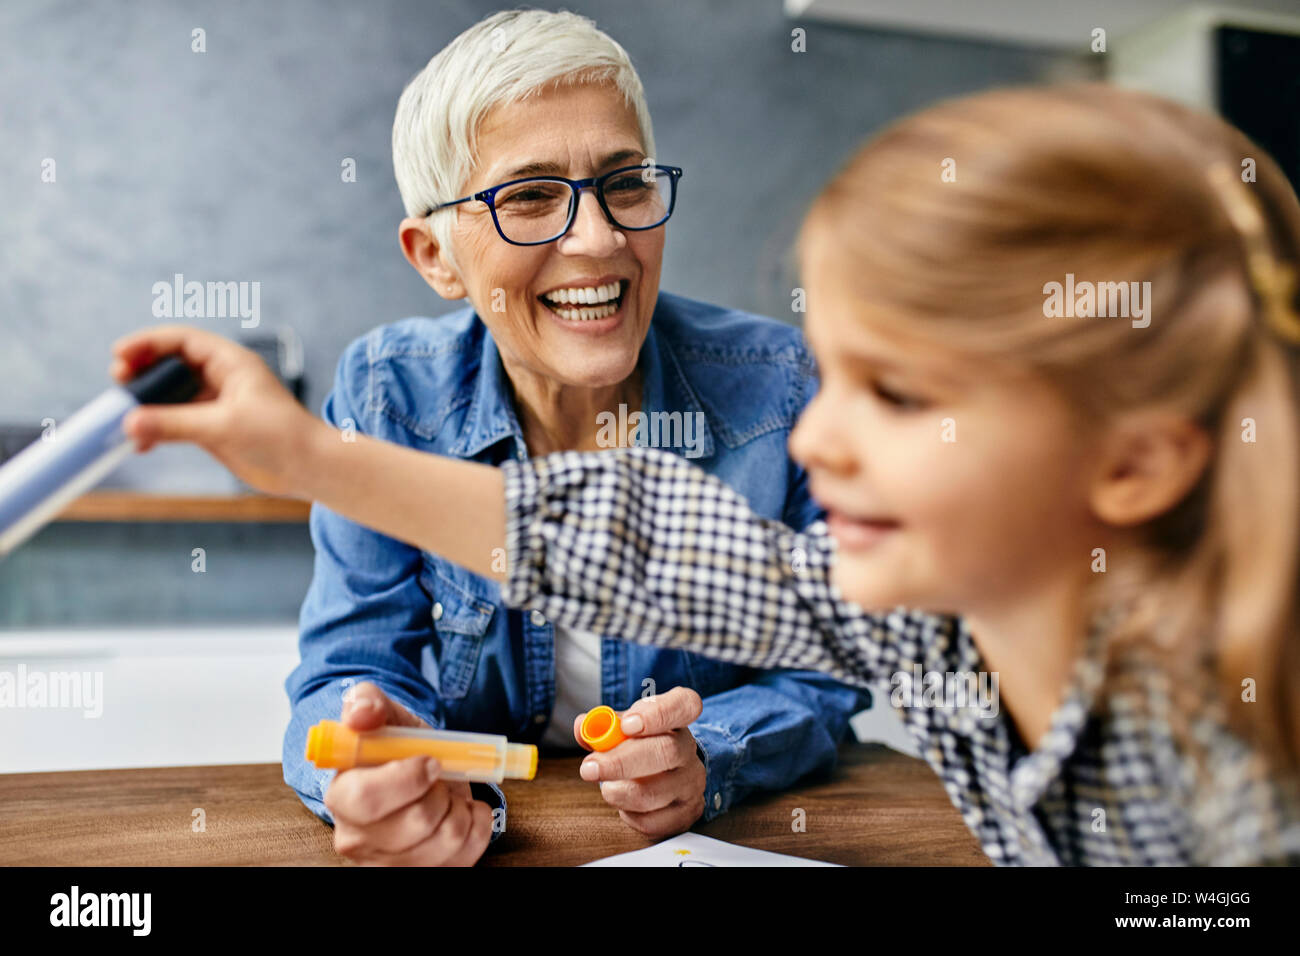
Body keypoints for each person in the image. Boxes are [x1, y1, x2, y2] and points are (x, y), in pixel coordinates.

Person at [112, 83, 1300, 864]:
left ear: (1134, 464)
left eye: (893, 396)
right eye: (832, 378)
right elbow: (637, 544)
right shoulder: (915, 629)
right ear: (432, 249)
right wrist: (309, 457)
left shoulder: (1208, 756)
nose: (817, 438)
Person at [287, 8, 869, 865]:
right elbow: (349, 671)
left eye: (625, 182)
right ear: (435, 257)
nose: (599, 240)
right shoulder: (386, 395)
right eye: (528, 197)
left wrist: (715, 753)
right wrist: (378, 770)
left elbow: (829, 668)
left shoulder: (779, 380)